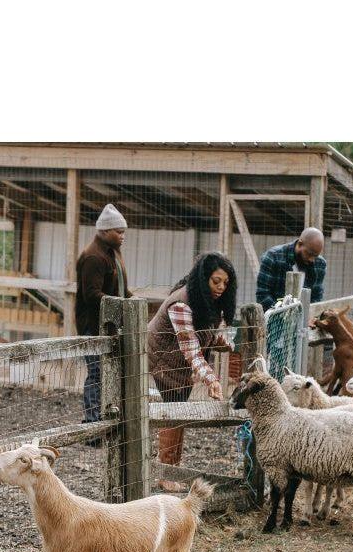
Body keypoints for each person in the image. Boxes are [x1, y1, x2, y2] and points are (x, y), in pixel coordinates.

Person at [147, 252, 237, 480]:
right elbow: (191, 349)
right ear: (203, 278)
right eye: (216, 281)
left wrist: (220, 341)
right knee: (173, 412)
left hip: (180, 363)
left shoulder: (208, 301)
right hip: (163, 360)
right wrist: (211, 379)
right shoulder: (181, 303)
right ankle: (166, 475)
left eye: (226, 283)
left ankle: (172, 470)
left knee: (178, 413)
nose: (221, 287)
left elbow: (203, 334)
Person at [75, 204, 131, 431]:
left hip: (108, 324)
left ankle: (103, 419)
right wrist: (122, 305)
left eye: (123, 231)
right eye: (118, 232)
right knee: (97, 372)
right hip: (93, 326)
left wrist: (131, 300)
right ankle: (92, 424)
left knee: (107, 373)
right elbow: (91, 295)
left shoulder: (111, 252)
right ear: (105, 231)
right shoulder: (94, 257)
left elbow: (118, 287)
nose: (122, 236)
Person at [256, 226, 327, 308]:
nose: (312, 260)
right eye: (309, 254)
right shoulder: (273, 257)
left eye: (315, 256)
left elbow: (317, 297)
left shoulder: (320, 264)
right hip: (274, 315)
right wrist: (282, 314)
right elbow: (263, 295)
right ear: (300, 244)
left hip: (305, 316)